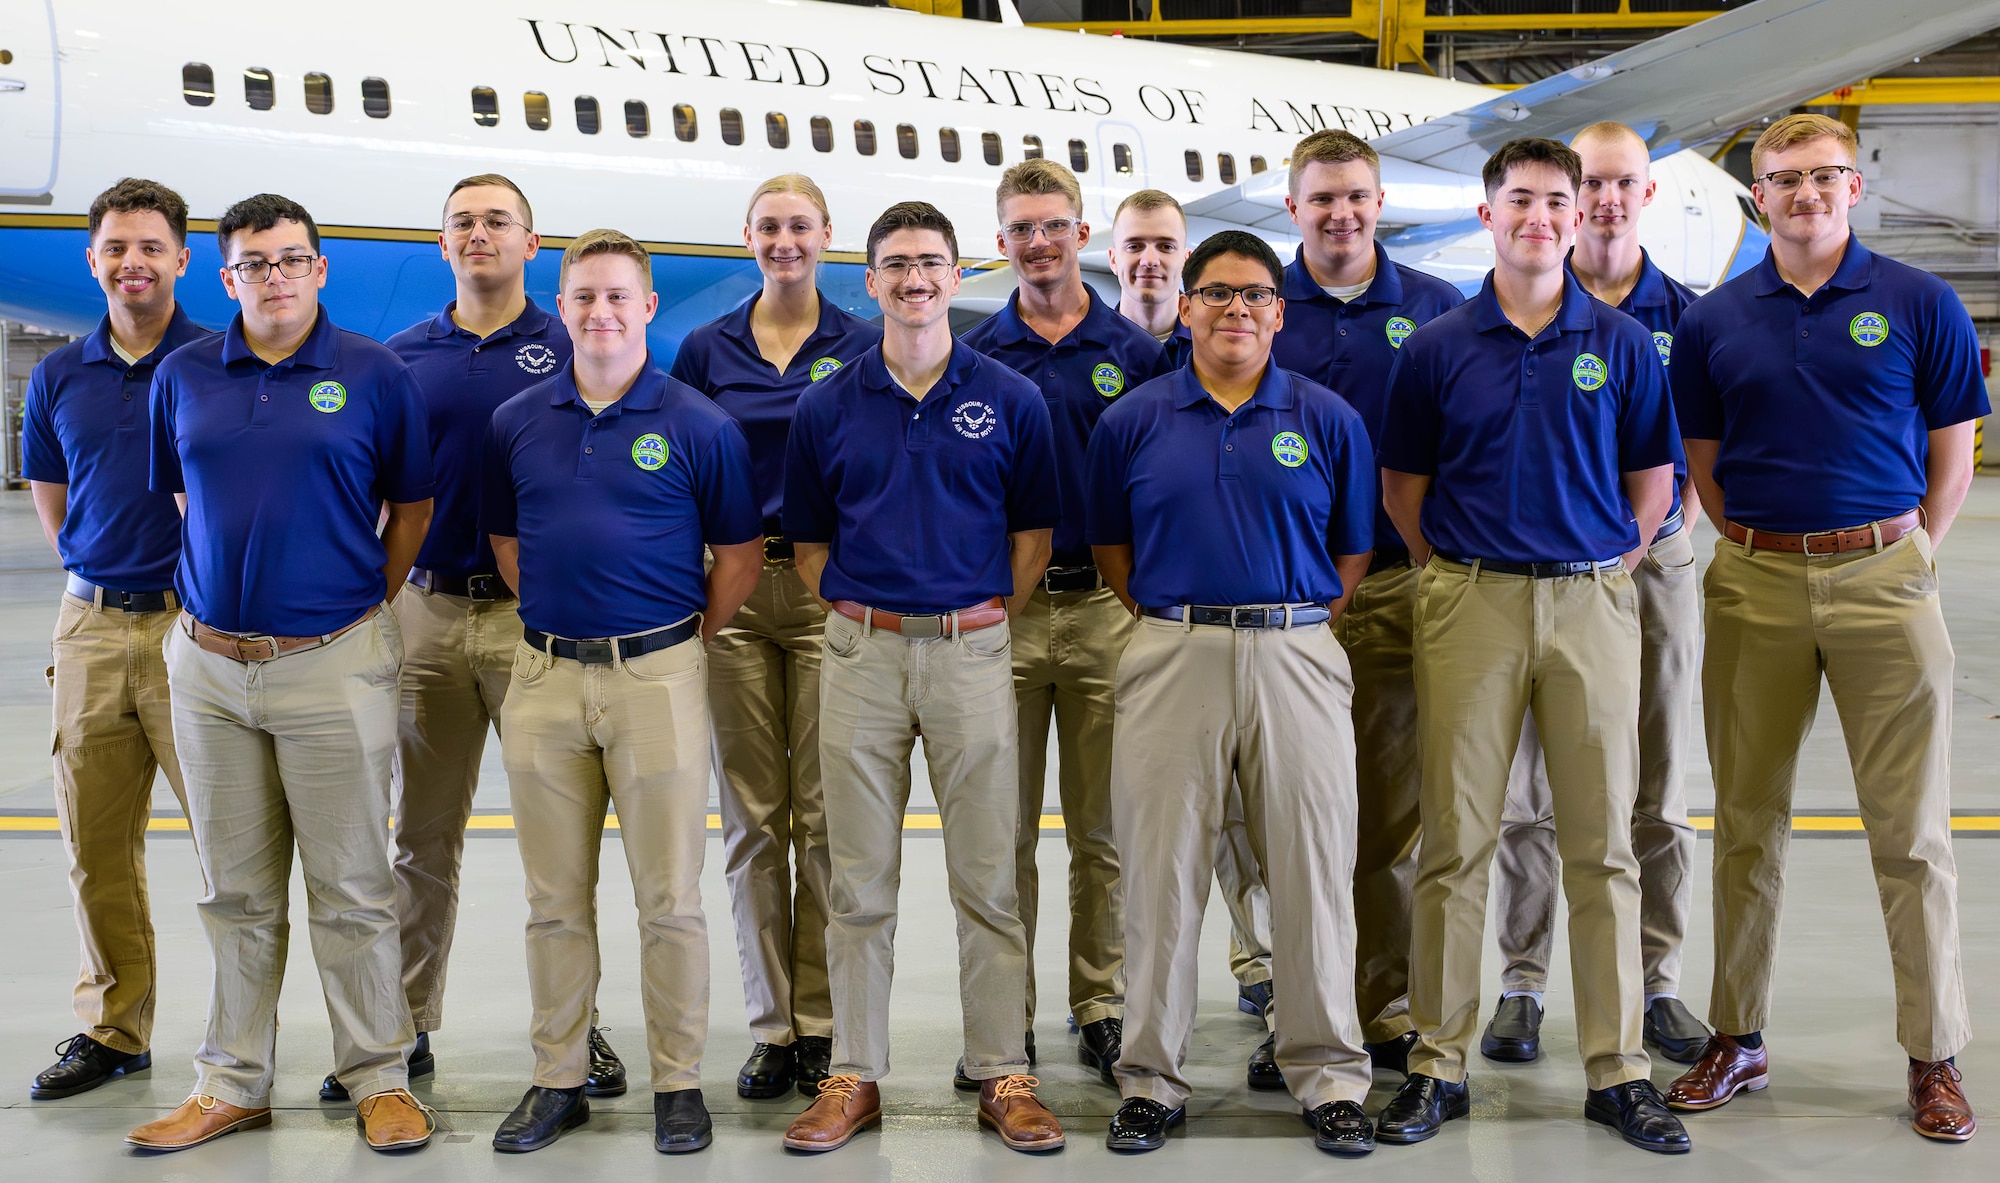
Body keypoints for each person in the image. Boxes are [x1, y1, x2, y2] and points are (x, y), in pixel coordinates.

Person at [1664, 113, 1984, 1144]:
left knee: (1909, 836)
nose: (1802, 193)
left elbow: (1953, 444)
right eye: (1781, 179)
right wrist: (1749, 542)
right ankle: (1737, 1033)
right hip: (1753, 581)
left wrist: (1912, 550)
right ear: (1756, 197)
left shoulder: (1915, 301)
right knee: (1744, 826)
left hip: (1883, 581)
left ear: (1853, 187)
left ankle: (1930, 1053)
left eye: (1821, 176)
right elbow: (1700, 457)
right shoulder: (1716, 321)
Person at [1375, 138, 1689, 1155]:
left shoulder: (1621, 342)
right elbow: (1403, 492)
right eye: (1521, 200)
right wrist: (1455, 575)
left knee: (1600, 845)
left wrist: (1606, 564)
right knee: (1456, 841)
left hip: (1591, 600)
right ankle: (1435, 1061)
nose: (1541, 217)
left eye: (1558, 200)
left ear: (1579, 212)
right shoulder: (1434, 347)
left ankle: (1615, 1067)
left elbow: (1654, 479)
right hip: (1470, 601)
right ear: (1487, 214)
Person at [127, 193, 437, 1153]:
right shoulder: (183, 376)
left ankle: (378, 1074)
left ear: (320, 269)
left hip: (332, 662)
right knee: (235, 891)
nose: (275, 277)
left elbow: (411, 508)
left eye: (291, 259)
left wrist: (343, 613)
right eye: (255, 264)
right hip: (210, 669)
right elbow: (186, 496)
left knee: (351, 885)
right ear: (225, 279)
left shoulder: (374, 375)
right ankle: (232, 1081)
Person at [778, 202, 1065, 1155]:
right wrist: (870, 616)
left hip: (975, 652)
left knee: (988, 877)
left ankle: (1002, 1070)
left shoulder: (1012, 398)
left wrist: (980, 620)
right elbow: (809, 543)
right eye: (895, 264)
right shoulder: (826, 403)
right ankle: (852, 1070)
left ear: (955, 274)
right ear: (869, 279)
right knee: (856, 879)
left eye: (931, 263)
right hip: (860, 653)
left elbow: (1033, 536)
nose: (914, 279)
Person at [336, 174, 624, 1103]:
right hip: (429, 612)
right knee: (422, 836)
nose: (480, 234)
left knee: (561, 838)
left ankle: (579, 1030)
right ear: (442, 243)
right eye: (463, 222)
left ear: (532, 244)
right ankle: (406, 1024)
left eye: (499, 220)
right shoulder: (400, 357)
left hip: (538, 620)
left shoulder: (572, 341)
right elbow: (370, 486)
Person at [1090, 229, 1377, 1157]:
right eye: (1215, 294)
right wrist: (1185, 623)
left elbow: (1352, 551)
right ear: (1186, 306)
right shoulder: (1132, 420)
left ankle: (1327, 1072)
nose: (1235, 310)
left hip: (1297, 647)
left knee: (1312, 870)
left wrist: (1288, 621)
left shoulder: (1327, 419)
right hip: (1175, 649)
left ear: (1279, 312)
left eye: (1254, 295)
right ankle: (1151, 1077)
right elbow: (1114, 554)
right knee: (1162, 874)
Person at [482, 229, 763, 1155]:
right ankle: (558, 1074)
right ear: (560, 308)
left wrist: (673, 642)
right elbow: (510, 544)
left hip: (660, 673)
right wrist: (568, 622)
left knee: (669, 898)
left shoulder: (699, 424)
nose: (600, 313)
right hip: (544, 675)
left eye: (617, 297)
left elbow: (739, 555)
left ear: (647, 308)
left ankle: (678, 1082)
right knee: (553, 899)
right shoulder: (518, 419)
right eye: (583, 297)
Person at [1481, 122, 1708, 1068]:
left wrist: (1653, 541)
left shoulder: (1690, 318)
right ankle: (1522, 981)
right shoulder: (1510, 308)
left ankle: (1658, 982)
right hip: (1543, 571)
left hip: (1651, 561)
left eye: (1622, 184)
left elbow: (1698, 449)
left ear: (1645, 193)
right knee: (1528, 788)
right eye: (1593, 184)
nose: (1606, 201)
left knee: (1656, 778)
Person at [668, 174, 880, 1102]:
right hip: (738, 590)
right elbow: (673, 466)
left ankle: (825, 1019)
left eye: (800, 226)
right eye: (769, 228)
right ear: (746, 238)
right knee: (755, 816)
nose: (784, 241)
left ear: (826, 237)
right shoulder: (703, 350)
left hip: (832, 586)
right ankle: (773, 1025)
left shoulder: (864, 345)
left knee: (827, 815)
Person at [959, 160, 1166, 1088]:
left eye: (1054, 225)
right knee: (996, 831)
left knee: (1104, 828)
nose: (1038, 242)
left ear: (1082, 233)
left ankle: (1102, 1002)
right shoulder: (974, 357)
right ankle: (1008, 1020)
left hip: (1103, 610)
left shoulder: (1139, 351)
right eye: (1020, 228)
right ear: (1000, 241)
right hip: (1002, 612)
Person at [1273, 129, 1464, 1078]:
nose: (1340, 214)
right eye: (1322, 198)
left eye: (1356, 196)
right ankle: (1292, 998)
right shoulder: (1254, 306)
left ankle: (1376, 1001)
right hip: (1280, 606)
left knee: (1387, 814)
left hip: (1389, 592)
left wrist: (1426, 564)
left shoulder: (1435, 314)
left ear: (1379, 203)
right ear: (1293, 205)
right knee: (1285, 816)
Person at [23, 178, 211, 1102]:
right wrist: (104, 585)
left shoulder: (221, 361)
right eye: (116, 248)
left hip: (200, 627)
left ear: (183, 257)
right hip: (93, 622)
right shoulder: (58, 375)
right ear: (92, 260)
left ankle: (242, 1034)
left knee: (236, 847)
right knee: (95, 842)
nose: (133, 262)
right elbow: (56, 511)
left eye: (151, 246)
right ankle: (115, 1026)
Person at [1107, 187, 1279, 1044]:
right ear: (1114, 254)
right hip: (1148, 612)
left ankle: (1264, 967)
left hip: (1252, 618)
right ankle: (1119, 1012)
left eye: (1164, 244)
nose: (1147, 256)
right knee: (1145, 830)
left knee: (1260, 815)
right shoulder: (1105, 363)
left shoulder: (1232, 342)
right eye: (1133, 243)